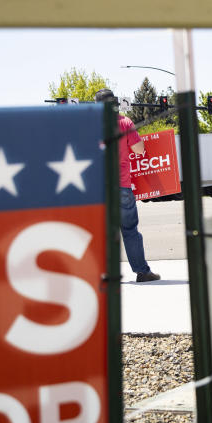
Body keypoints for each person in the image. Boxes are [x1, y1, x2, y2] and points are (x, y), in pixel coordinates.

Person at [95, 88, 160, 283]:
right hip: (121, 185)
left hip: (98, 187)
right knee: (130, 230)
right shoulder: (125, 123)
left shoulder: (91, 125)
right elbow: (139, 150)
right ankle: (142, 272)